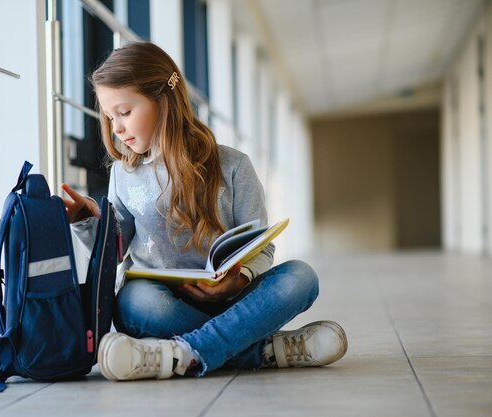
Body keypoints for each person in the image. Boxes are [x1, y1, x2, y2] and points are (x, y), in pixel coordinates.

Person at [61, 41, 347, 381]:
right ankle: (263, 349)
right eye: (109, 118)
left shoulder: (234, 166)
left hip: (235, 298)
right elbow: (115, 253)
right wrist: (84, 221)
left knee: (302, 277)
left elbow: (263, 247)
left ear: (163, 100)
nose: (117, 129)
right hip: (164, 303)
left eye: (124, 113)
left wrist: (237, 280)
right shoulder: (122, 175)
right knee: (131, 303)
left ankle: (182, 353)